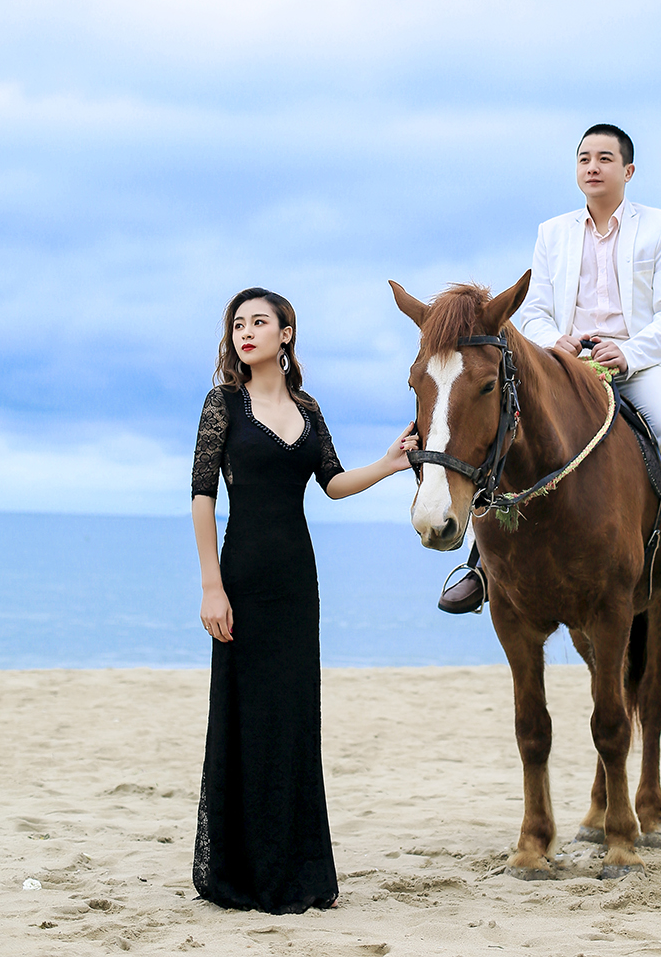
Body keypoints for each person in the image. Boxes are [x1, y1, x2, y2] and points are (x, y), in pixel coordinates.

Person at [438, 125, 661, 626]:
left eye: (605, 158)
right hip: (564, 365)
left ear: (627, 171)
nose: (593, 167)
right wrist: (556, 342)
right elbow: (536, 310)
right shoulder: (552, 232)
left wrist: (628, 352)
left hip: (637, 363)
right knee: (507, 430)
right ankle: (480, 564)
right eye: (584, 158)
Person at [190, 287, 417, 914]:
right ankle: (240, 872)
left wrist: (389, 463)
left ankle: (296, 870)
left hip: (296, 582)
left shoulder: (308, 408)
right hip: (241, 578)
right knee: (244, 716)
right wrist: (212, 585)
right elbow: (202, 496)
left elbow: (333, 483)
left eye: (259, 322)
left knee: (293, 720)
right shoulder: (222, 404)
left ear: (286, 333)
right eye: (238, 324)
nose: (245, 332)